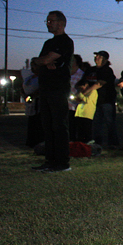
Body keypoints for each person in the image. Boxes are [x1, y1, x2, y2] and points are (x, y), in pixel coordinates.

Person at [32, 11, 74, 172]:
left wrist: (43, 61)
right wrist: (40, 62)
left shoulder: (65, 41)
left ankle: (62, 162)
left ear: (62, 23)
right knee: (47, 126)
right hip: (45, 87)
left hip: (58, 88)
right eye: (47, 20)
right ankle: (50, 160)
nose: (48, 23)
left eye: (51, 20)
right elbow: (37, 64)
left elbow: (45, 60)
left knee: (59, 125)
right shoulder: (48, 43)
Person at [87, 51, 119, 148]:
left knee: (109, 122)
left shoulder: (107, 70)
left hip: (106, 100)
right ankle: (97, 142)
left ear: (105, 59)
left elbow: (101, 83)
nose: (96, 57)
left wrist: (86, 91)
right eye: (96, 56)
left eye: (99, 56)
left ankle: (113, 143)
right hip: (94, 101)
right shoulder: (91, 70)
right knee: (96, 123)